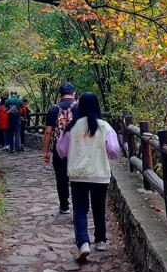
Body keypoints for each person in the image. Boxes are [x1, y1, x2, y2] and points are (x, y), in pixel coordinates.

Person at [56, 92, 120, 262]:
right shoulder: (105, 126)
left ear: (80, 106)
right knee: (99, 207)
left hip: (78, 175)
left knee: (80, 210)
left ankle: (83, 243)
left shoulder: (72, 127)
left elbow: (61, 151)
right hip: (99, 174)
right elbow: (114, 151)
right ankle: (100, 240)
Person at [42, 82, 78, 214]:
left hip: (59, 149)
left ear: (60, 95)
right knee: (77, 177)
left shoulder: (53, 109)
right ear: (74, 93)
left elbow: (48, 132)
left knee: (61, 177)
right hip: (77, 148)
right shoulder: (79, 107)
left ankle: (64, 205)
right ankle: (77, 205)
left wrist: (45, 151)